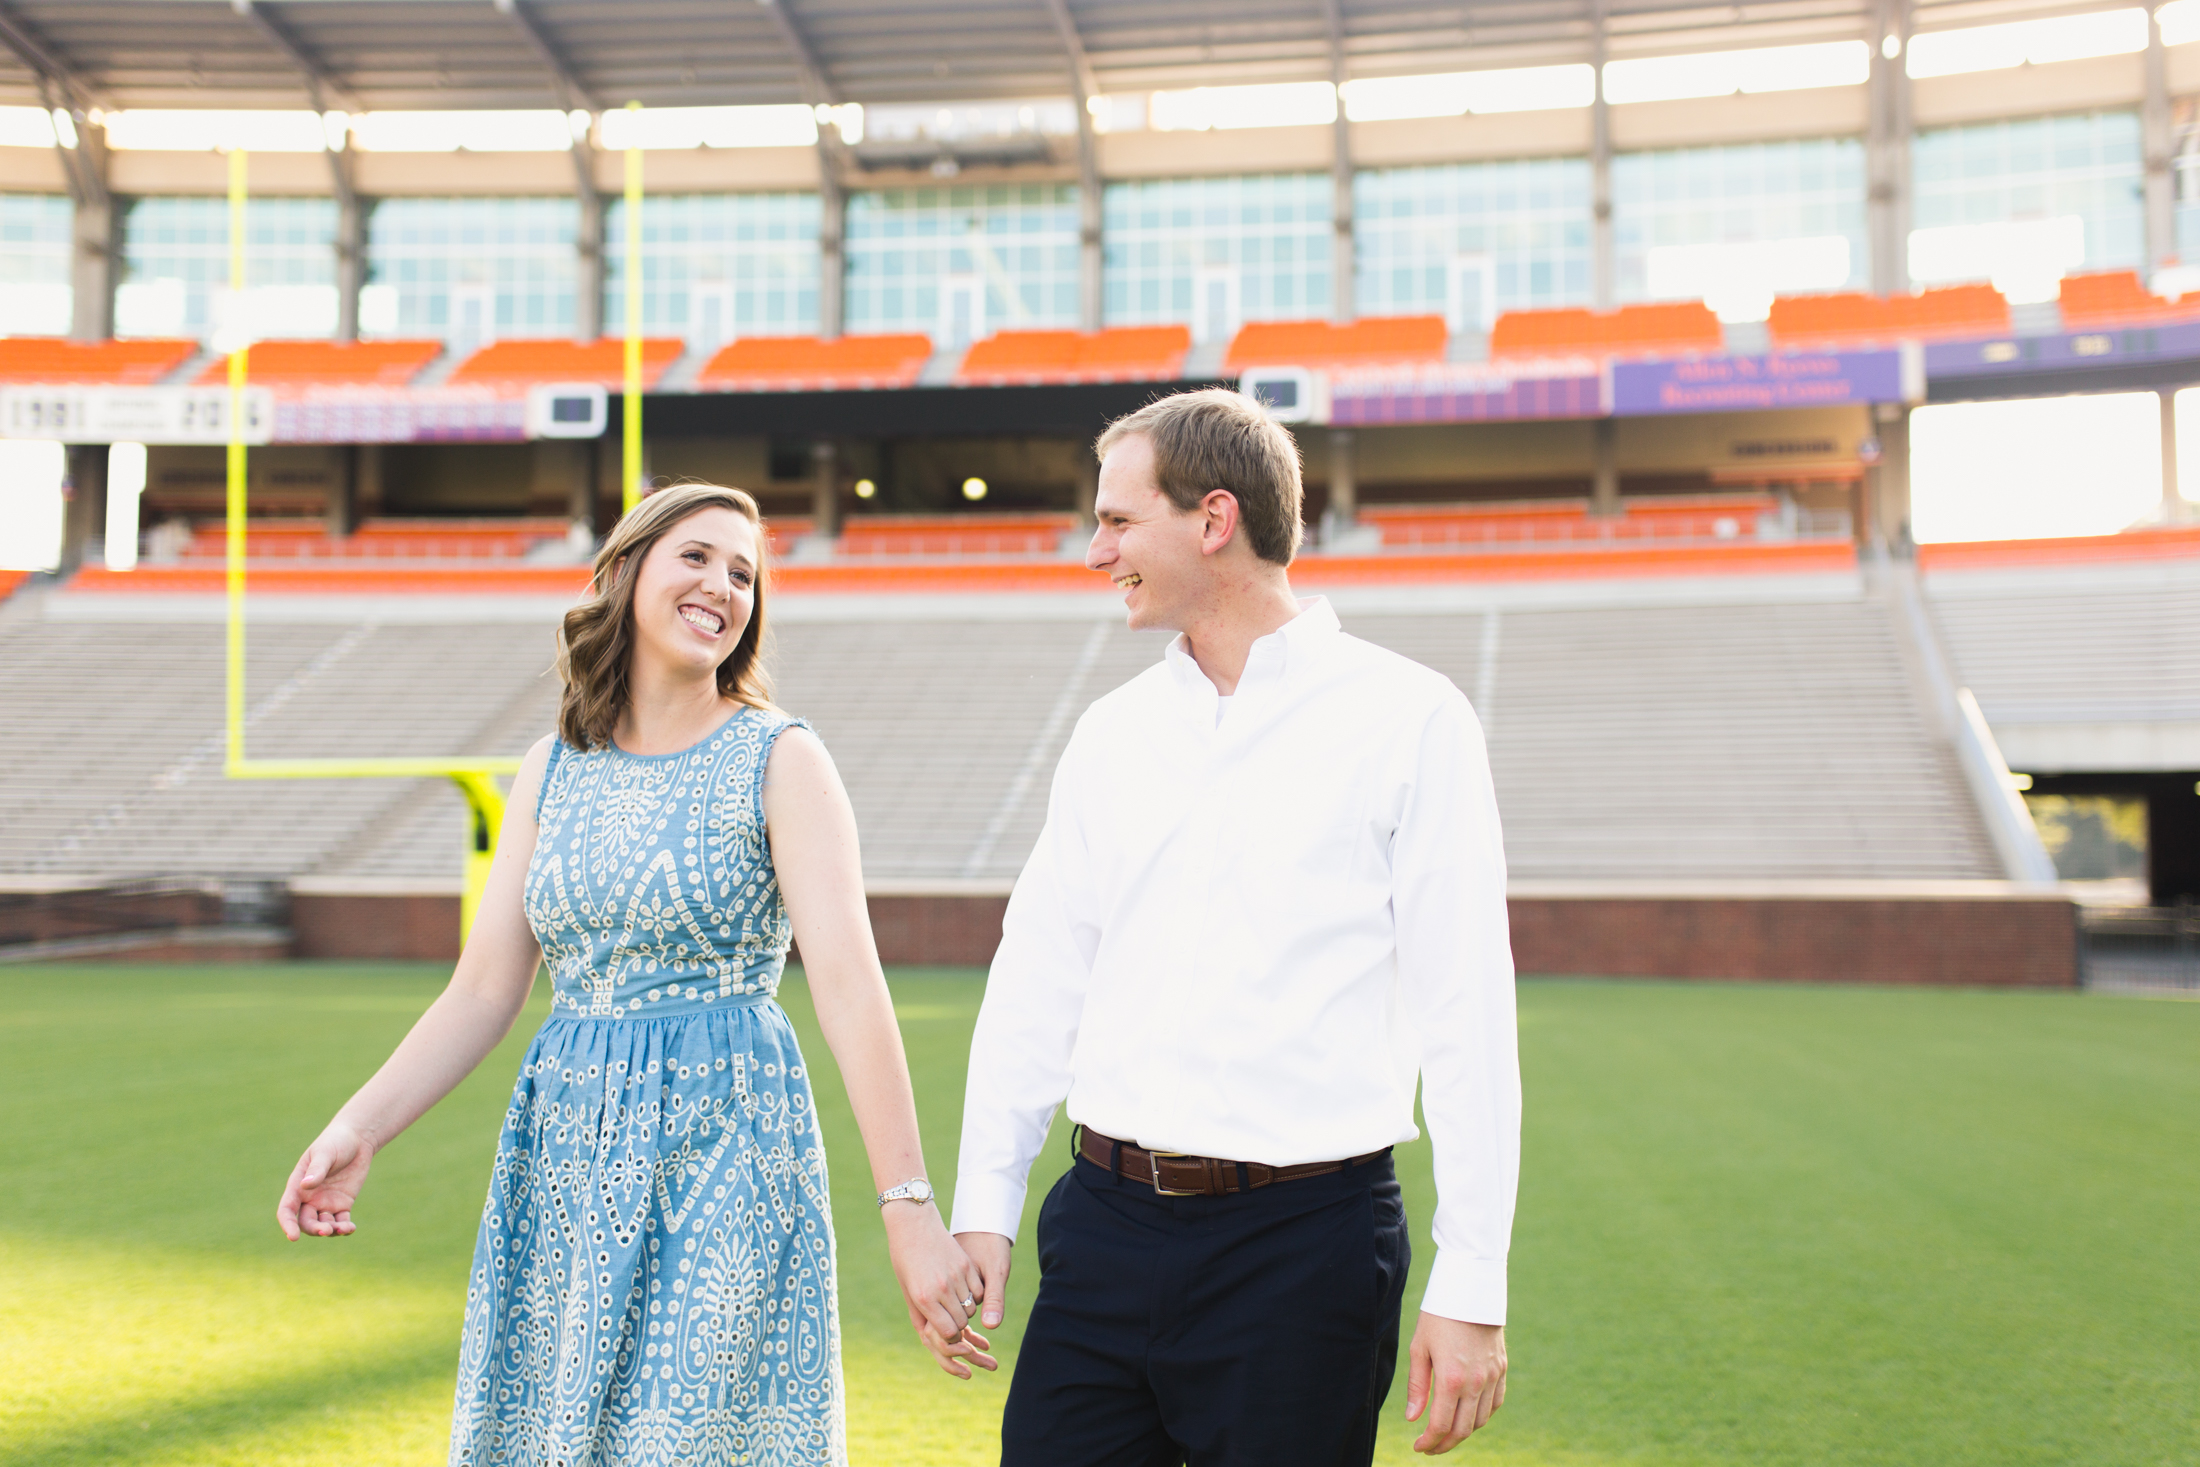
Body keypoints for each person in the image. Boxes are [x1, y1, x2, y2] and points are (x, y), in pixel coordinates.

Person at [276, 482, 993, 1466]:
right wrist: (358, 1127)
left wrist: (911, 1214)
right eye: (696, 556)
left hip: (726, 1153)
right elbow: (484, 991)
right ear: (625, 572)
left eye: (744, 572)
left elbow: (849, 990)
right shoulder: (550, 768)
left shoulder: (780, 758)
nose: (723, 586)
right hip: (564, 1158)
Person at [951, 389, 1521, 1464]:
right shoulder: (1112, 735)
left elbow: (1468, 1018)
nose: (1094, 550)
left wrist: (1473, 1281)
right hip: (1103, 1234)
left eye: (1118, 521)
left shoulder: (1411, 720)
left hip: (1304, 1252)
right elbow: (1037, 979)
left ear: (1213, 520)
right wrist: (986, 1199)